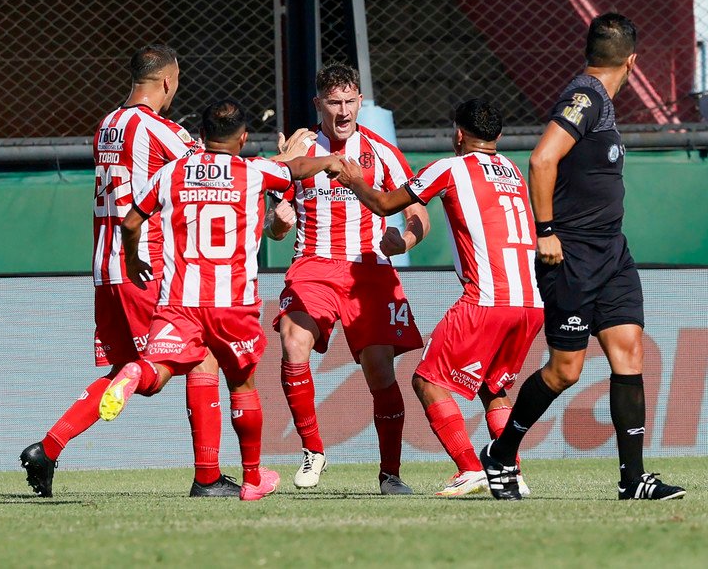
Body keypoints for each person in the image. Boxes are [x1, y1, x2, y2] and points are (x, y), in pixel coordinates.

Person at [20, 45, 312, 499]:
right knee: (195, 359)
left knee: (130, 368)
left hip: (105, 264)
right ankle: (208, 477)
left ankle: (49, 447)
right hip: (147, 264)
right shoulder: (160, 130)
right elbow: (217, 166)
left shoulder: (108, 125)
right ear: (167, 84)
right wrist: (288, 159)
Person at [479, 13, 686, 500]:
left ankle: (634, 479)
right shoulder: (585, 97)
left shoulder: (599, 101)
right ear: (632, 61)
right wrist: (546, 231)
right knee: (565, 371)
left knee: (628, 353)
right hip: (570, 255)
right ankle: (501, 452)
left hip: (612, 251)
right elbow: (541, 157)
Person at [98, 98, 343, 500]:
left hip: (180, 301)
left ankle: (132, 375)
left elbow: (129, 221)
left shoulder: (170, 173)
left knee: (158, 371)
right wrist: (329, 162)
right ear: (244, 138)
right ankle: (251, 478)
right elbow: (295, 168)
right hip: (232, 302)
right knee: (242, 384)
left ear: (200, 136)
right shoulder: (253, 171)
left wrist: (132, 256)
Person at [336, 99, 543, 497]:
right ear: (497, 137)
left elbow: (384, 204)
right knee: (492, 388)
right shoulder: (514, 171)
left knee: (428, 380)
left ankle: (471, 468)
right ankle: (509, 470)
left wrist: (351, 178)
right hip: (531, 304)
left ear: (459, 134)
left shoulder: (450, 168)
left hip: (486, 300)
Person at [271, 62, 429, 495]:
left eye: (349, 101)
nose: (343, 111)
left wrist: (408, 239)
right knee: (292, 342)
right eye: (333, 102)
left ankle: (391, 474)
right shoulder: (301, 152)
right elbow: (275, 221)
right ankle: (313, 450)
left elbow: (418, 210)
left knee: (380, 372)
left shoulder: (381, 151)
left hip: (369, 270)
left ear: (360, 100)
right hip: (313, 265)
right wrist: (278, 223)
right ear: (317, 103)